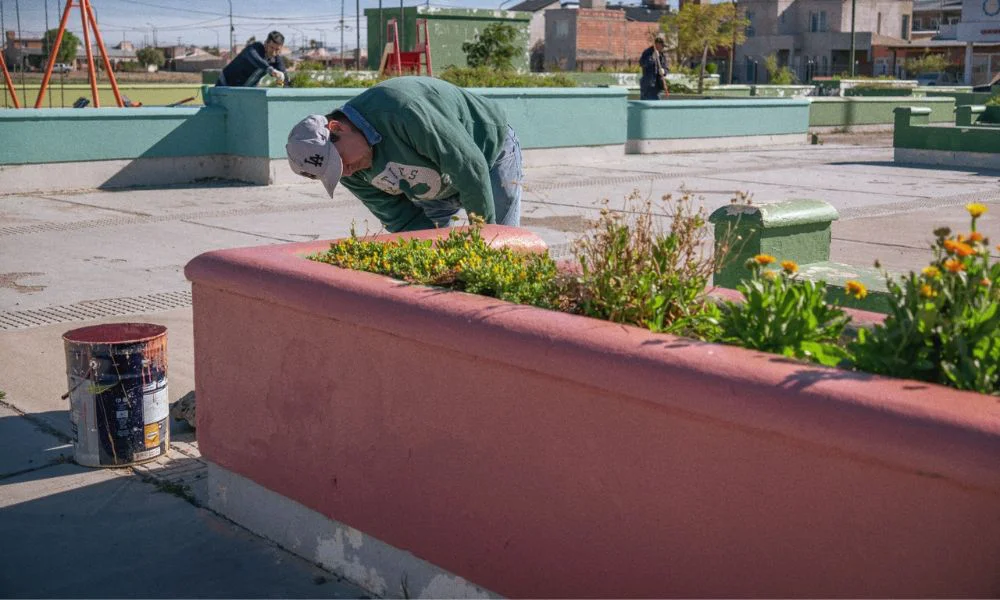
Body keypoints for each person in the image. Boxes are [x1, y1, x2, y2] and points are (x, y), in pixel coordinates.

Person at [285, 76, 523, 232]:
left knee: (502, 243)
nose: (345, 172)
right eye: (335, 171)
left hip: (487, 154)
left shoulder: (402, 109)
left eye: (339, 161)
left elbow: (469, 168)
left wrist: (484, 241)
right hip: (434, 186)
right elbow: (402, 218)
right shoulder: (349, 169)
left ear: (337, 127)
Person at [216, 30, 288, 88]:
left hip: (244, 90)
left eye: (277, 49)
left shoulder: (276, 59)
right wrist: (270, 70)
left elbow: (284, 76)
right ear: (266, 44)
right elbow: (256, 59)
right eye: (271, 48)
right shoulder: (255, 47)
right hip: (225, 83)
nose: (274, 52)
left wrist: (281, 84)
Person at [639, 34, 669, 100]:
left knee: (656, 104)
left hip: (657, 86)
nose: (663, 48)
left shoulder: (662, 55)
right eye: (662, 46)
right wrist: (652, 58)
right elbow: (642, 63)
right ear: (657, 44)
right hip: (648, 85)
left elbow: (666, 68)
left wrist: (664, 71)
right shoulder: (647, 52)